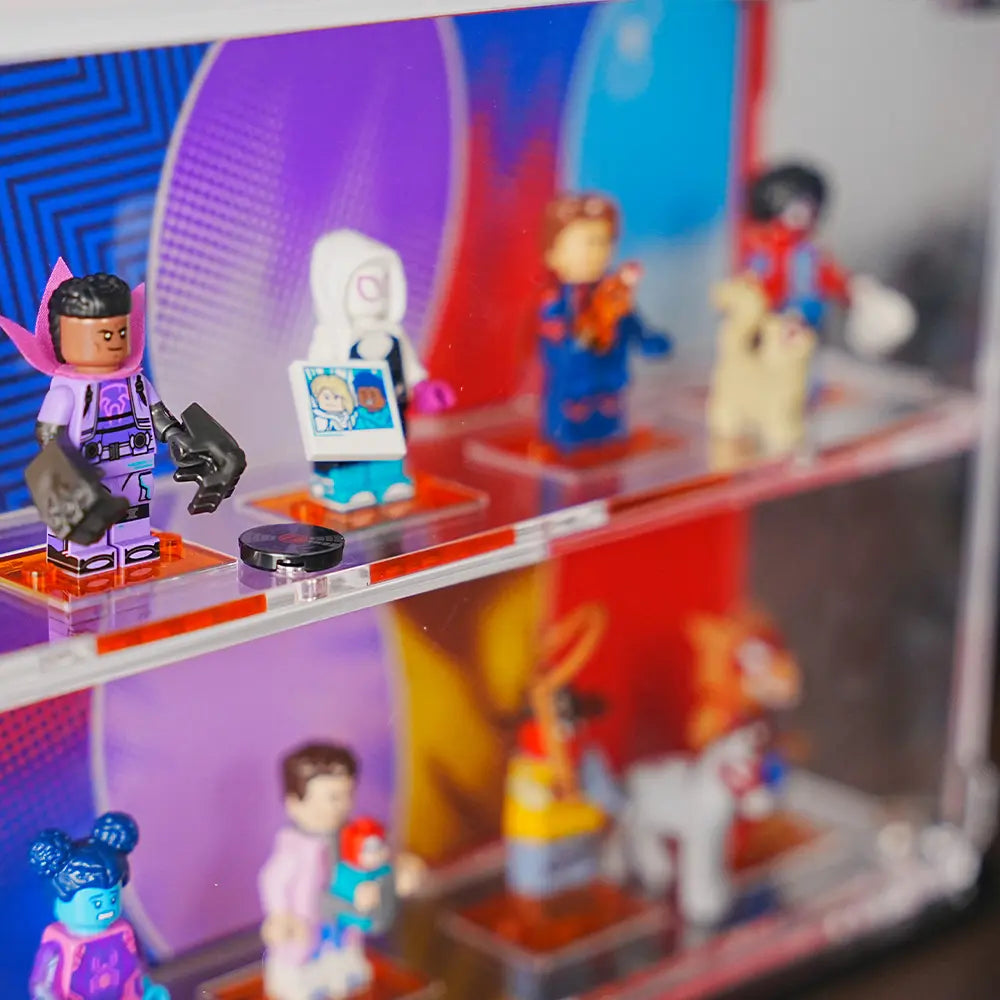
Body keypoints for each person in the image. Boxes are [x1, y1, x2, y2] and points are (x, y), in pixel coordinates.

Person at [538, 193, 670, 453]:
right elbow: (558, 340)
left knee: (611, 446)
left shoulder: (613, 294)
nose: (597, 252)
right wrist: (590, 331)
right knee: (568, 446)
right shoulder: (557, 300)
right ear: (553, 254)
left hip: (610, 389)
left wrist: (647, 340)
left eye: (604, 242)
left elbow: (630, 323)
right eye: (588, 243)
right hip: (573, 395)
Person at [28, 812, 169, 1000]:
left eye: (113, 899)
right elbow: (41, 986)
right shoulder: (57, 945)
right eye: (96, 902)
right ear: (61, 900)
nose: (106, 908)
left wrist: (147, 990)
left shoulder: (123, 931)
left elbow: (139, 967)